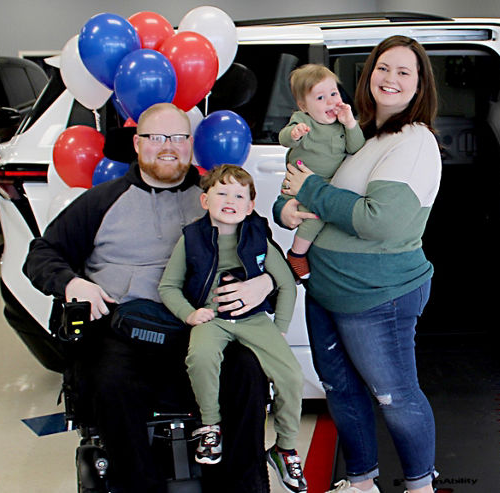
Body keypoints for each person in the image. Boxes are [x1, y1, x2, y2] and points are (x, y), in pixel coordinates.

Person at [25, 102, 274, 493]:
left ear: (190, 144)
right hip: (125, 333)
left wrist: (265, 283)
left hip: (204, 329)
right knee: (107, 381)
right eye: (157, 138)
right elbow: (41, 254)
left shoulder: (216, 197)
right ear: (138, 144)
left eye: (177, 138)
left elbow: (264, 252)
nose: (168, 147)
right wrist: (74, 284)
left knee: (248, 371)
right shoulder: (101, 202)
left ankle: (240, 487)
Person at [276, 36, 441, 493]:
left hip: (375, 296)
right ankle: (361, 481)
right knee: (342, 392)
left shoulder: (413, 142)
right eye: (382, 68)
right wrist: (284, 210)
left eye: (403, 72)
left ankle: (420, 486)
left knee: (394, 396)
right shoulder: (360, 134)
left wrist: (308, 192)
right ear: (367, 76)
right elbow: (301, 184)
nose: (390, 79)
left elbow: (379, 221)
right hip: (327, 289)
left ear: (419, 85)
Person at [158, 164, 307, 492]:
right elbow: (168, 286)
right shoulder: (192, 238)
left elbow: (286, 283)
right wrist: (190, 314)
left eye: (239, 195)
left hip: (253, 320)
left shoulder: (256, 236)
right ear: (204, 200)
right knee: (200, 358)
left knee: (292, 377)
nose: (230, 199)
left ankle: (285, 447)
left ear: (250, 206)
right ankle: (210, 427)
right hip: (213, 319)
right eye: (221, 192)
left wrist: (279, 327)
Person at [278, 63, 366, 281]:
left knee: (322, 211)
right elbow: (284, 138)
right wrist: (295, 133)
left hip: (323, 185)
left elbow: (356, 148)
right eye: (320, 98)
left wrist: (350, 124)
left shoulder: (340, 124)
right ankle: (296, 254)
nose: (331, 101)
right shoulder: (303, 120)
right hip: (300, 185)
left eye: (334, 93)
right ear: (303, 106)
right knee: (315, 217)